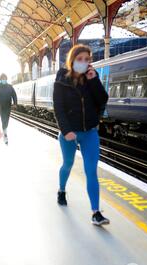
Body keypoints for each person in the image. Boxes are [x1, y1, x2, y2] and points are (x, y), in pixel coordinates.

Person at [53, 44, 110, 226]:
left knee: (91, 171)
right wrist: (66, 130)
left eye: (87, 60)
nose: (83, 63)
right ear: (72, 60)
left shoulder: (91, 77)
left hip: (90, 132)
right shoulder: (61, 79)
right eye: (80, 59)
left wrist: (94, 81)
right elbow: (58, 107)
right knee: (68, 164)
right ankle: (61, 190)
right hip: (69, 132)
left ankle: (96, 212)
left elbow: (102, 100)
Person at [0, 74, 17, 145]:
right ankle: (5, 133)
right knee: (3, 119)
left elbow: (14, 95)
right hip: (0, 107)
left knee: (6, 119)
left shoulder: (10, 87)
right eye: (2, 78)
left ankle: (5, 129)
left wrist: (15, 103)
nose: (4, 80)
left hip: (8, 106)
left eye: (5, 78)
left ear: (6, 79)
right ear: (0, 79)